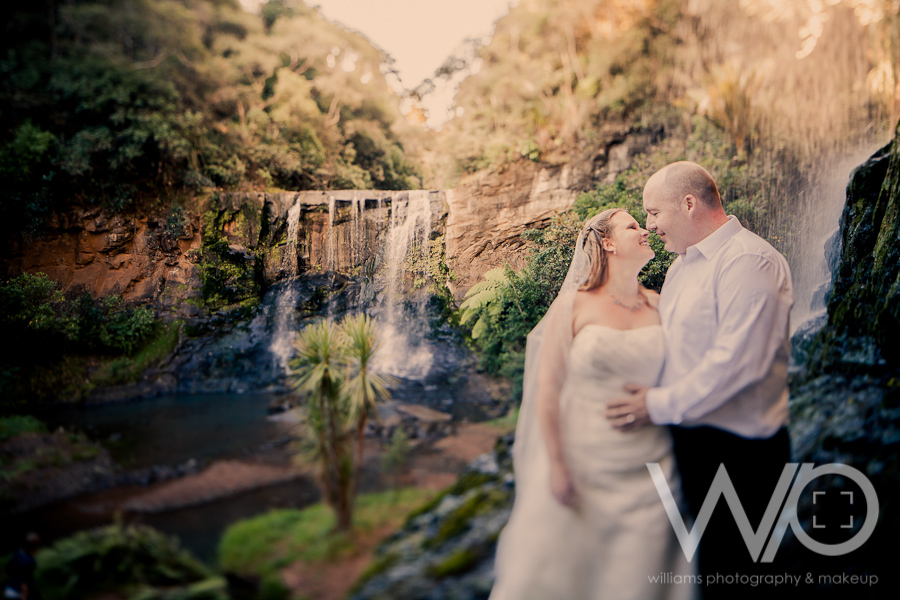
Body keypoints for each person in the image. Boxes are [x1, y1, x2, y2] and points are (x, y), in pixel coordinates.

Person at [606, 161, 793, 600]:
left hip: (740, 451)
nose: (649, 226)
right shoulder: (681, 267)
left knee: (741, 576)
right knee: (707, 569)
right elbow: (674, 351)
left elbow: (736, 364)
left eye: (653, 213)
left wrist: (654, 406)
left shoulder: (749, 260)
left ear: (689, 204)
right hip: (691, 442)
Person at [490, 208, 694, 600]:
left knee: (638, 579)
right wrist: (558, 466)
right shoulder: (574, 306)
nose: (645, 230)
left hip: (653, 467)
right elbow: (548, 390)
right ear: (608, 242)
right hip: (586, 464)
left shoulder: (661, 304)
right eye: (633, 226)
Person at [4, 533, 40, 600]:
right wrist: (24, 595)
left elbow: (7, 569)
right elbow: (25, 581)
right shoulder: (30, 561)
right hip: (18, 593)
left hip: (9, 589)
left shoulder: (17, 553)